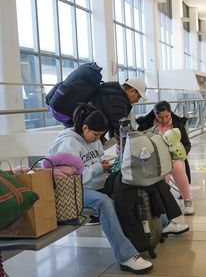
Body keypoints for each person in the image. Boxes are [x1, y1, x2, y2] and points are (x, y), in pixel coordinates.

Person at [48, 104, 154, 274]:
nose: (98, 139)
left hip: (96, 184)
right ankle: (126, 256)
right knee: (104, 202)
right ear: (84, 127)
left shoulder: (94, 140)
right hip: (74, 191)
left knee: (128, 187)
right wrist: (99, 168)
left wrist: (103, 166)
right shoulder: (68, 143)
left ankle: (150, 235)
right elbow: (72, 179)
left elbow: (96, 161)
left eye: (100, 136)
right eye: (96, 135)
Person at [137, 101, 194, 215]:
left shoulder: (178, 123)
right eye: (160, 117)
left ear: (170, 113)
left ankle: (187, 200)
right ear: (155, 114)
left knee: (177, 167)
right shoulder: (146, 124)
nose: (164, 120)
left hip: (174, 157)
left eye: (167, 116)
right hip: (155, 158)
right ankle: (164, 202)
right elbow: (139, 142)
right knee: (164, 174)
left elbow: (187, 144)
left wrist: (181, 154)